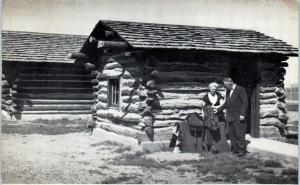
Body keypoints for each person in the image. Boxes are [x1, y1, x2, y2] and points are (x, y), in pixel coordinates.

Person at [215, 78, 248, 157]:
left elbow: (245, 102)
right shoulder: (228, 91)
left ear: (230, 84)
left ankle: (241, 151)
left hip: (239, 116)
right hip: (231, 116)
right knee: (232, 134)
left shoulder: (240, 89)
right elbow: (227, 103)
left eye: (226, 86)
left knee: (239, 134)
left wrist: (243, 114)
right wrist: (218, 109)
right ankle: (235, 150)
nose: (225, 88)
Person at [202, 82, 225, 152]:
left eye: (214, 89)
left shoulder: (219, 95)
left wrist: (216, 107)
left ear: (216, 89)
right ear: (209, 89)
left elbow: (222, 104)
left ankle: (218, 145)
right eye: (212, 89)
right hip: (209, 116)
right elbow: (203, 107)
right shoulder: (206, 96)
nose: (213, 90)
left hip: (218, 114)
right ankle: (209, 145)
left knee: (218, 128)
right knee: (209, 129)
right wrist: (203, 115)